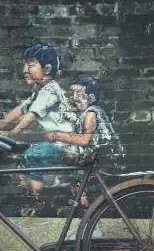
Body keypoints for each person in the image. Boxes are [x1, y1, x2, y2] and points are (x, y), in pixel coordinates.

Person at [0, 43, 77, 197]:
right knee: (26, 164)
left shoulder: (50, 91)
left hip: (65, 145)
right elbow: (21, 109)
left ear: (47, 69)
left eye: (30, 65)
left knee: (32, 156)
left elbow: (30, 117)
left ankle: (38, 200)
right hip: (58, 144)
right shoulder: (40, 90)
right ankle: (35, 196)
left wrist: (11, 134)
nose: (24, 70)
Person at [44, 75, 121, 206]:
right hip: (96, 160)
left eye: (78, 94)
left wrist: (57, 135)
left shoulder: (91, 112)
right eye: (71, 94)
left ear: (91, 98)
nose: (74, 98)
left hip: (103, 163)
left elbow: (86, 139)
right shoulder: (87, 113)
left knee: (77, 184)